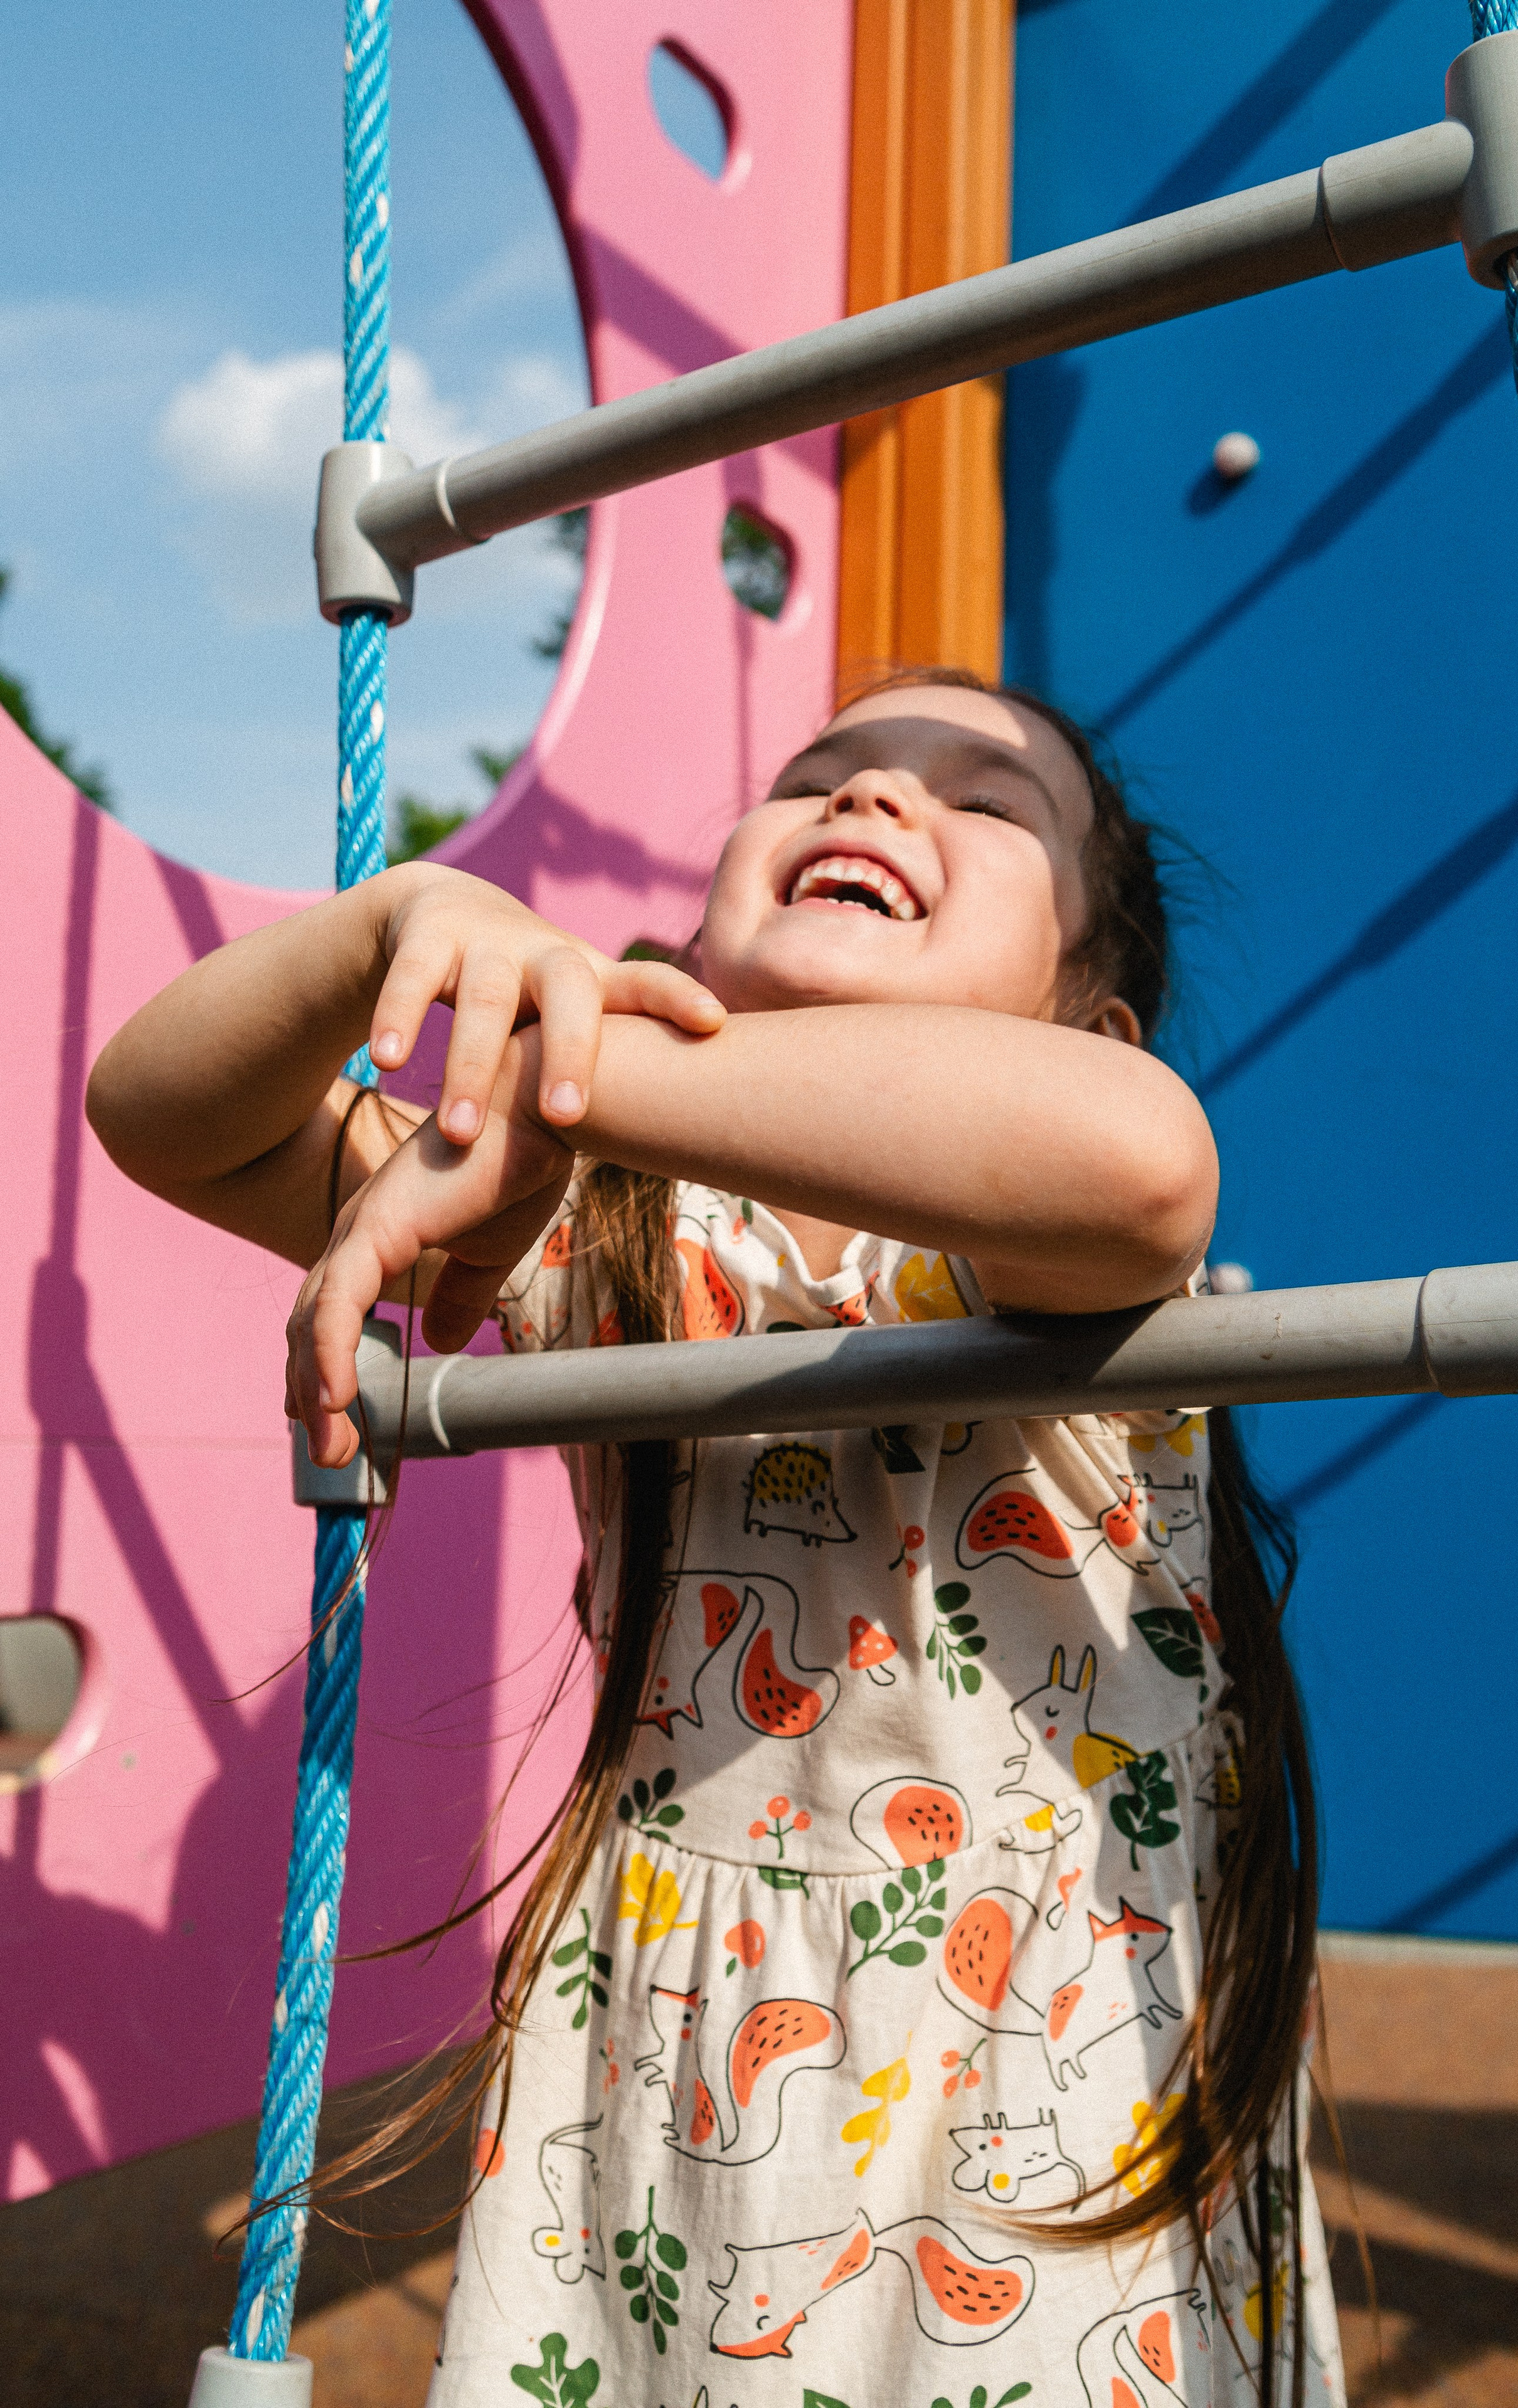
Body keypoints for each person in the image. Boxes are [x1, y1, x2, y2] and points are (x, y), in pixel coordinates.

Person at [87, 669, 1340, 2407]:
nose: (876, 800)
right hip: (665, 2039)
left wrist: (580, 1083)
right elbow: (159, 1108)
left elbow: (1140, 1169)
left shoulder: (1049, 1219)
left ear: (1089, 1016)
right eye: (821, 774)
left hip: (1038, 2071)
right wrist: (399, 920)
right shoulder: (586, 1210)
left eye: (982, 801)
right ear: (686, 948)